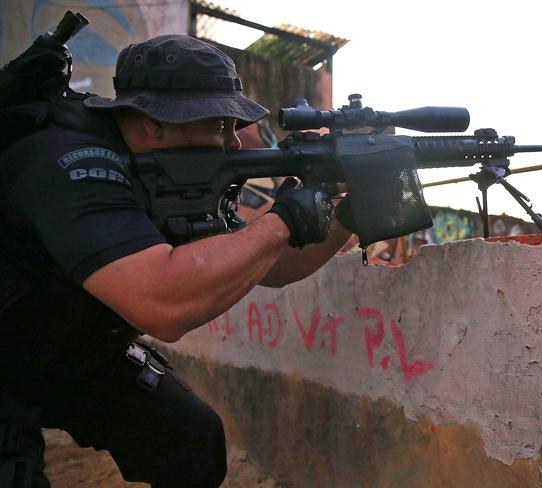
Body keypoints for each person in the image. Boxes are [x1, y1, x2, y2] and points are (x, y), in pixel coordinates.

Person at [0, 34, 352, 487]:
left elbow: (270, 267)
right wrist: (283, 219)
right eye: (218, 125)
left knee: (189, 441)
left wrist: (347, 211)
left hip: (65, 350)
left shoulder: (161, 172)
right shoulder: (69, 164)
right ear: (153, 124)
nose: (234, 144)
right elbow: (161, 307)